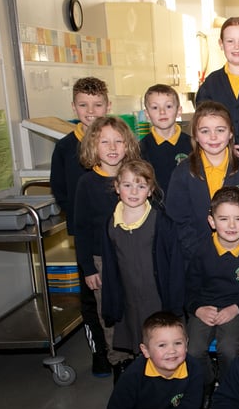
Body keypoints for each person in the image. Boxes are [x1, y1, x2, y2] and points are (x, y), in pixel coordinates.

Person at [100, 160, 185, 381]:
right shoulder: (111, 224)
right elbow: (110, 268)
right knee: (135, 339)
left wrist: (175, 304)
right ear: (117, 187)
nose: (134, 191)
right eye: (127, 185)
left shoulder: (162, 222)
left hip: (156, 298)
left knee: (160, 340)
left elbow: (175, 264)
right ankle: (138, 382)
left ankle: (166, 380)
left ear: (150, 190)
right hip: (128, 298)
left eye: (140, 185)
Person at [50, 76, 112, 377]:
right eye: (84, 105)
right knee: (91, 294)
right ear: (74, 107)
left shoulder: (116, 143)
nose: (91, 111)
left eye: (97, 104)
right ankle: (100, 352)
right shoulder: (64, 147)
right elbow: (59, 189)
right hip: (85, 234)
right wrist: (78, 217)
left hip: (117, 235)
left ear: (107, 106)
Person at [185, 186, 239, 408]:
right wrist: (197, 309)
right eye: (223, 219)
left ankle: (228, 388)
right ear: (212, 221)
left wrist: (236, 308)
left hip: (237, 309)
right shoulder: (200, 251)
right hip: (204, 308)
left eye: (238, 219)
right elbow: (189, 290)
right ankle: (206, 382)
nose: (231, 226)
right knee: (192, 351)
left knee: (229, 349)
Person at [74, 116, 141, 371]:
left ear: (128, 145)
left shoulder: (135, 178)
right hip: (102, 261)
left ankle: (141, 357)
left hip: (134, 258)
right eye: (105, 142)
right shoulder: (87, 183)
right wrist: (88, 269)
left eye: (118, 141)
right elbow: (80, 230)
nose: (112, 148)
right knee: (109, 313)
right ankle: (119, 362)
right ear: (94, 146)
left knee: (138, 307)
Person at [166, 100, 239, 261]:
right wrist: (198, 252)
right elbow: (178, 218)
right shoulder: (183, 172)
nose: (213, 137)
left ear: (230, 133)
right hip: (195, 257)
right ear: (195, 134)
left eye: (220, 130)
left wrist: (237, 248)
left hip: (235, 254)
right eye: (205, 131)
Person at [195, 16, 239, 154]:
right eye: (230, 41)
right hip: (221, 160)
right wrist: (224, 146)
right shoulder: (211, 84)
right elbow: (202, 124)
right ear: (221, 44)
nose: (236, 47)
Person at [139, 84, 191, 194]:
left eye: (168, 106)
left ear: (179, 111)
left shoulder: (194, 145)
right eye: (155, 107)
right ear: (147, 114)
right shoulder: (139, 150)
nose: (162, 112)